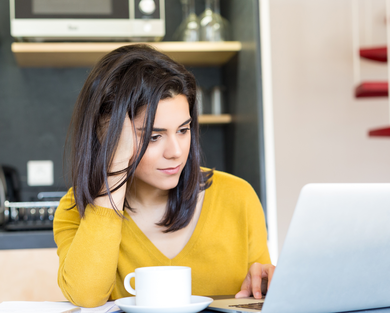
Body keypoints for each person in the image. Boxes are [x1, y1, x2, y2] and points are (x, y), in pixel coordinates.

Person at [53, 44, 275, 308]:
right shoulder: (75, 209)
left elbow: (259, 291)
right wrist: (113, 177)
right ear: (107, 134)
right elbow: (87, 297)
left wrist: (266, 281)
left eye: (183, 130)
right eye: (154, 136)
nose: (176, 152)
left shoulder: (237, 196)